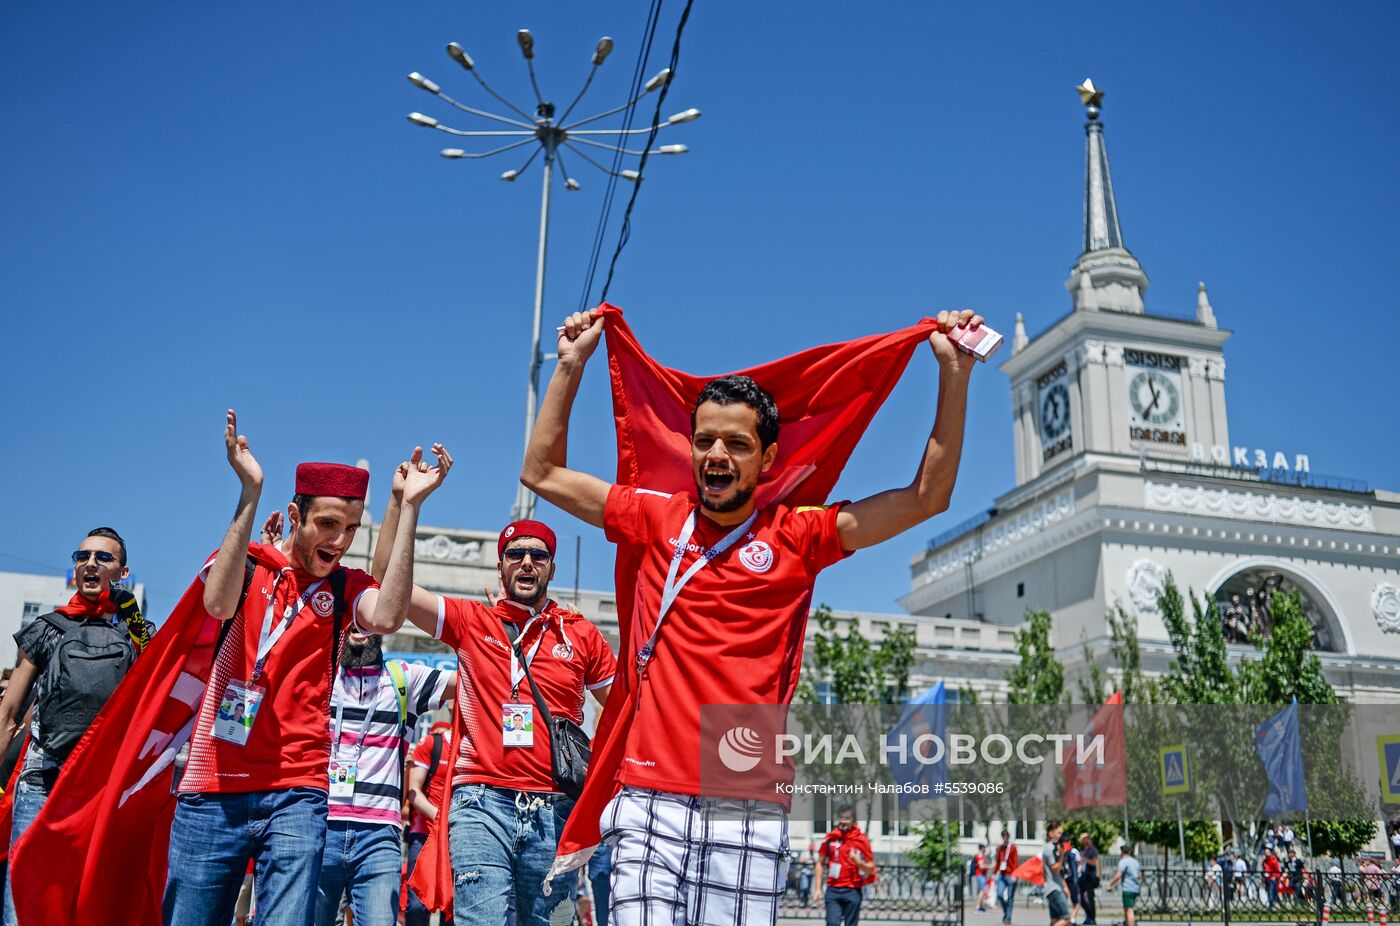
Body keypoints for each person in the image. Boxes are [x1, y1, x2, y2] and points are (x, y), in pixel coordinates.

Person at [523, 306, 983, 925]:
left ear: (767, 460)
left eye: (736, 443)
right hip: (649, 792)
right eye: (705, 439)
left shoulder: (800, 536)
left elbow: (928, 497)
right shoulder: (657, 516)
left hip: (745, 795)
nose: (717, 453)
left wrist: (954, 377)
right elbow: (541, 472)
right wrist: (570, 366)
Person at [160, 412, 447, 926]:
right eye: (328, 524)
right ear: (296, 515)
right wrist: (250, 493)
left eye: (351, 529)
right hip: (212, 787)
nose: (339, 541)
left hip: (298, 790)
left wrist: (410, 511)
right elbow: (217, 605)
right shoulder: (247, 564)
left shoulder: (343, 587)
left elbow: (387, 614)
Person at [377, 457, 617, 926]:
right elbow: (389, 581)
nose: (527, 562)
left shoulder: (580, 633)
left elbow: (625, 709)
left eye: (538, 555)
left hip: (554, 808)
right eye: (516, 554)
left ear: (550, 567)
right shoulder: (471, 621)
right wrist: (405, 505)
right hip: (480, 804)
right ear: (502, 564)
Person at [0, 527, 152, 926]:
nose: (90, 563)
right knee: (24, 891)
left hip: (103, 784)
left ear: (122, 571)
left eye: (104, 558)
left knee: (90, 898)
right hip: (42, 777)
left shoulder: (134, 630)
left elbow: (159, 676)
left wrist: (133, 617)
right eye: (82, 555)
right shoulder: (48, 627)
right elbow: (9, 710)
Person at [314, 630, 455, 926]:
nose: (359, 622)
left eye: (368, 612)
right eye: (352, 611)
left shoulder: (404, 678)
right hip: (318, 828)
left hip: (378, 839)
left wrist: (499, 631)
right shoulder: (318, 675)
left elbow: (474, 680)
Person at [405, 716, 453, 926]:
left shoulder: (469, 747)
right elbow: (413, 790)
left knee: (452, 908)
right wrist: (439, 817)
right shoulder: (431, 743)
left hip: (456, 837)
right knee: (417, 905)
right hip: (424, 834)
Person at [813, 805, 878, 926]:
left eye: (847, 818)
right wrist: (817, 889)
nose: (843, 821)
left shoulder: (861, 839)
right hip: (833, 890)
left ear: (853, 820)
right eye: (841, 817)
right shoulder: (830, 838)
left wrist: (859, 862)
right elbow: (820, 863)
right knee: (832, 923)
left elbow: (871, 868)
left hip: (852, 890)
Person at [1040, 823, 1071, 926]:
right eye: (1059, 833)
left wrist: (1065, 887)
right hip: (1054, 889)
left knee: (1055, 920)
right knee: (1066, 919)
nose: (1061, 836)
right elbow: (1056, 870)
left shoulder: (1054, 848)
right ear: (1051, 833)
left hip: (1054, 888)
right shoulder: (1049, 849)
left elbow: (1059, 874)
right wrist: (1062, 855)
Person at [1106, 843, 1140, 926]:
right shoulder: (1135, 861)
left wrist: (1110, 884)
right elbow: (1139, 876)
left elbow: (1118, 875)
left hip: (1128, 889)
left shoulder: (1123, 861)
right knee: (1127, 909)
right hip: (1136, 888)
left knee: (1129, 910)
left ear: (1122, 852)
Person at [995, 828, 1020, 925]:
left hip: (1011, 875)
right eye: (1003, 836)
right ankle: (1006, 912)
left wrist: (1015, 874)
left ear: (1008, 837)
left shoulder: (1013, 847)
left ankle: (1008, 918)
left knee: (1010, 898)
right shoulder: (1000, 848)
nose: (1004, 838)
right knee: (1000, 894)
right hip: (1002, 875)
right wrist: (994, 872)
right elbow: (998, 861)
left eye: (1006, 836)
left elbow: (1015, 862)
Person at [1077, 832, 1100, 925]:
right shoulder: (1084, 850)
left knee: (1090, 898)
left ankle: (1092, 918)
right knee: (1080, 897)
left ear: (1088, 839)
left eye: (1084, 839)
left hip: (1090, 878)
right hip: (1083, 877)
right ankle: (1089, 915)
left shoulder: (1092, 850)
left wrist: (1085, 859)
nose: (1083, 841)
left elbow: (1094, 863)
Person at [1060, 834, 1080, 923]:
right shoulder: (1071, 853)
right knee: (1075, 901)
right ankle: (1070, 919)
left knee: (1068, 900)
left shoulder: (1063, 853)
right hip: (1071, 880)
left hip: (1066, 880)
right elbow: (1076, 866)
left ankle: (1069, 918)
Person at [972, 843, 989, 913]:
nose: (985, 849)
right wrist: (990, 866)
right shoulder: (979, 856)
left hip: (982, 876)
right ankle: (978, 906)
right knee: (982, 891)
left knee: (982, 891)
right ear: (982, 848)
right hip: (980, 875)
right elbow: (981, 866)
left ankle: (981, 907)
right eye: (984, 848)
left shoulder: (982, 856)